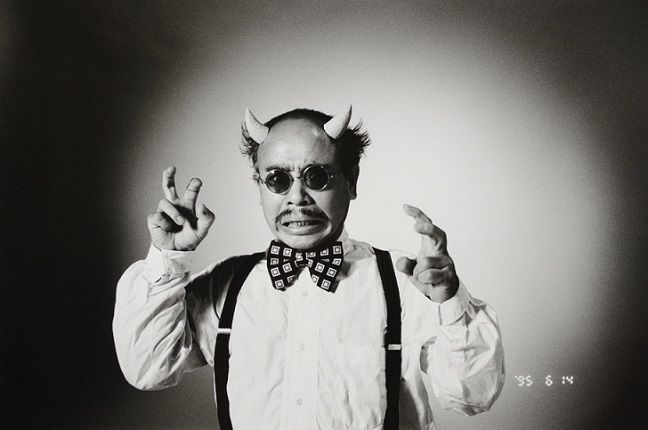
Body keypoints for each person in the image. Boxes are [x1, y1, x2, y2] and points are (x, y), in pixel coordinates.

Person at [113, 106, 505, 430]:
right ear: (259, 186)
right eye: (277, 179)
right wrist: (167, 258)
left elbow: (474, 395)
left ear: (351, 181)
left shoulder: (405, 283)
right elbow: (148, 369)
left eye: (316, 176)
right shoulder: (227, 286)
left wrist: (449, 302)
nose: (297, 197)